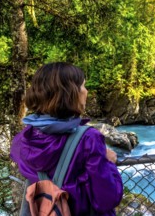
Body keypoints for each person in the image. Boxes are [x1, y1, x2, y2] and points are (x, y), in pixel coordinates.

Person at [10, 62, 123, 215]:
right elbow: (107, 199)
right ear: (71, 93)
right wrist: (109, 162)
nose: (86, 91)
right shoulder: (88, 138)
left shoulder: (25, 139)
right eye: (83, 86)